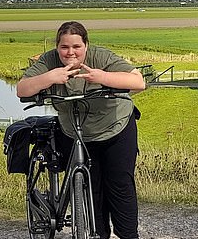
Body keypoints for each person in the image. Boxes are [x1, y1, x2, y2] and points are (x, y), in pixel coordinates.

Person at [17, 21, 146, 239]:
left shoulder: (100, 57)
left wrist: (102, 77)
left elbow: (138, 82)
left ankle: (128, 236)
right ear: (57, 47)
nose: (70, 52)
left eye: (76, 46)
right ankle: (99, 235)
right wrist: (51, 77)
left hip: (115, 127)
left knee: (120, 186)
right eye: (64, 47)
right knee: (92, 189)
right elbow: (22, 89)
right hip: (75, 132)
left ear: (86, 45)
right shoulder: (49, 61)